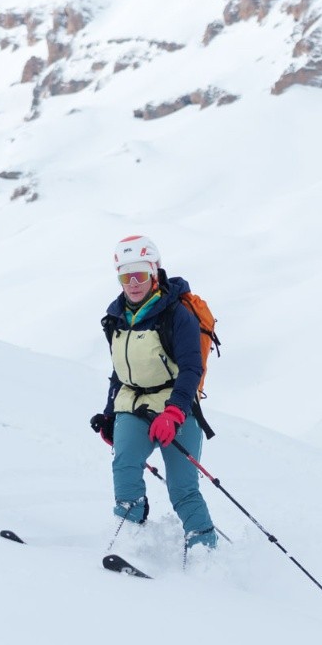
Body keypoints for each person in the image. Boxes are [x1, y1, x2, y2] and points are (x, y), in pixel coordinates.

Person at [89, 234, 218, 552]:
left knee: (182, 489)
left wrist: (174, 412)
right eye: (125, 275)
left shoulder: (178, 315)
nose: (133, 282)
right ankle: (133, 534)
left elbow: (191, 370)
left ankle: (206, 554)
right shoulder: (116, 316)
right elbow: (120, 371)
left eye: (141, 274)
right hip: (132, 404)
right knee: (124, 467)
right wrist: (109, 414)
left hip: (177, 406)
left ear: (155, 271)